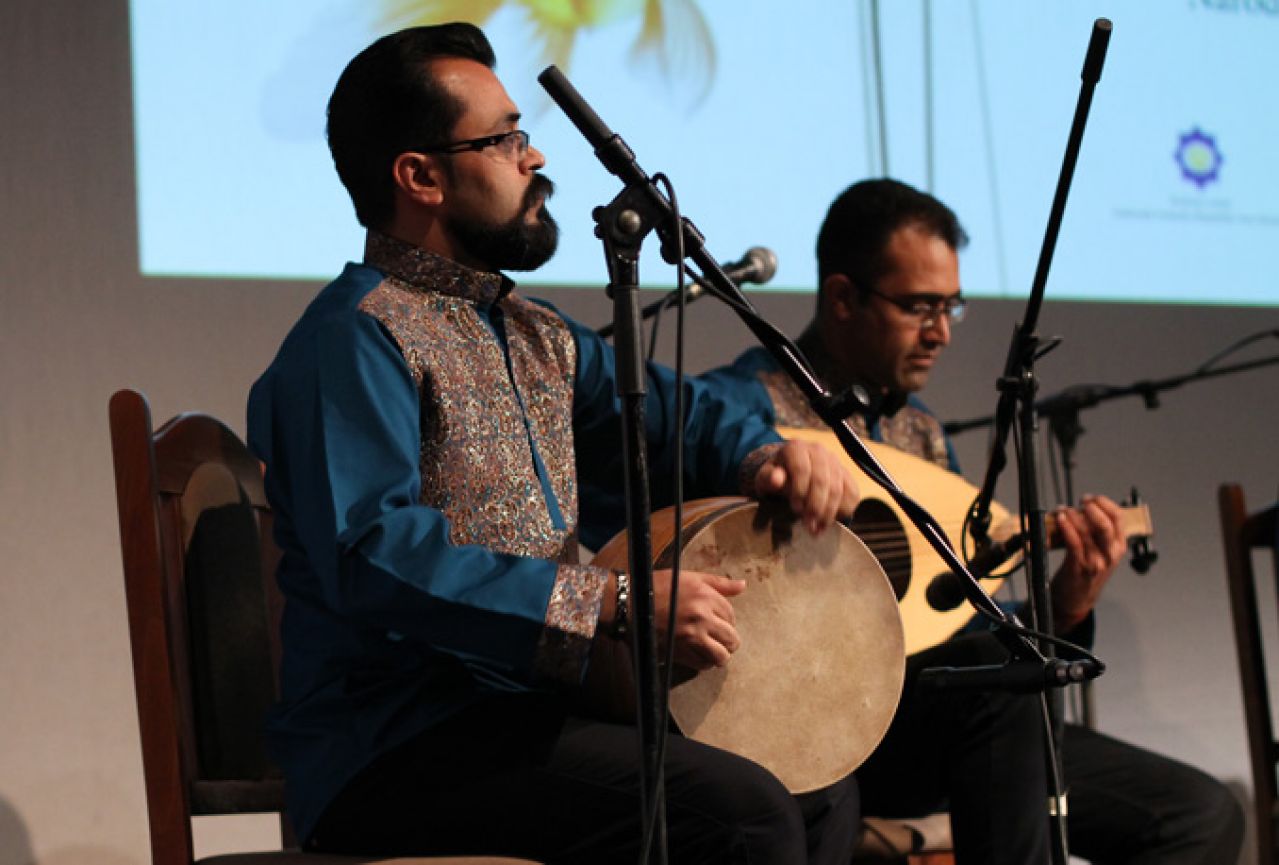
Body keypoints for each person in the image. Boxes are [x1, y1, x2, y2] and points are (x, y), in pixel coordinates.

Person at [246, 23, 865, 865]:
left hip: (533, 715)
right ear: (418, 175)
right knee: (739, 813)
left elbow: (678, 415)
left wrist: (769, 451)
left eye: (523, 134)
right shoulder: (351, 341)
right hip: (401, 743)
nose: (533, 158)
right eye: (502, 139)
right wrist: (610, 604)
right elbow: (374, 553)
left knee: (813, 781)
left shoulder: (533, 334)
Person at [702, 178, 1244, 865]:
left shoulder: (921, 435)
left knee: (1197, 813)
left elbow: (958, 620)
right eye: (919, 306)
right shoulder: (732, 416)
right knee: (991, 679)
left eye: (950, 306)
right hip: (814, 726)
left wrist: (1067, 603)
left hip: (946, 720)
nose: (942, 332)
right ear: (841, 297)